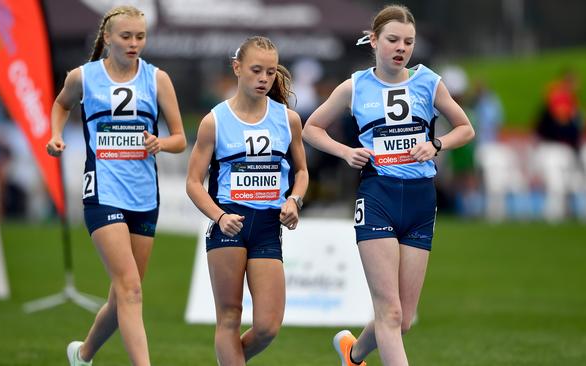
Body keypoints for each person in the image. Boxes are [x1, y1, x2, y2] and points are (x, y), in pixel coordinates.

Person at [302, 5, 474, 366]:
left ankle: (353, 355)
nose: (401, 48)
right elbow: (311, 129)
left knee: (404, 319)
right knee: (390, 314)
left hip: (421, 201)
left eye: (408, 42)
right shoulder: (355, 85)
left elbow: (465, 128)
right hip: (378, 196)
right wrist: (345, 152)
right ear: (375, 40)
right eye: (393, 40)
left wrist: (437, 144)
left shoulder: (429, 81)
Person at [45, 5, 186, 366]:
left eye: (140, 36)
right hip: (102, 191)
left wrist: (160, 143)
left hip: (143, 195)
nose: (134, 43)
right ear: (108, 37)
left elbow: (180, 138)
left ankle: (82, 353)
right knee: (131, 288)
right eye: (126, 36)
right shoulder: (84, 77)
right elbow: (61, 105)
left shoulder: (157, 79)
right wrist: (56, 135)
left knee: (122, 294)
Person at [186, 36, 308, 365]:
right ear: (237, 68)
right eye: (256, 70)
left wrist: (294, 200)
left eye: (270, 72)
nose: (264, 79)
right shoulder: (215, 121)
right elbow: (193, 183)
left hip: (268, 226)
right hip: (229, 224)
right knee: (229, 317)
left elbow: (302, 172)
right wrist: (218, 216)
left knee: (268, 326)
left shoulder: (288, 120)